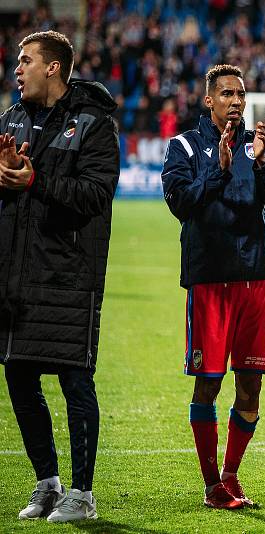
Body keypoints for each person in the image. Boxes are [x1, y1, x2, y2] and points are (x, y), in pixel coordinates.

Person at [160, 64, 265, 509]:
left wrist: (264, 162)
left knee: (251, 387)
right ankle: (210, 483)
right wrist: (217, 171)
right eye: (227, 94)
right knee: (209, 384)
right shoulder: (183, 146)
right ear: (208, 100)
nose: (236, 101)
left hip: (257, 279)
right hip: (211, 281)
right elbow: (181, 203)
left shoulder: (258, 146)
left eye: (241, 94)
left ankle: (231, 476)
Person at [0, 31, 120, 522]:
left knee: (75, 380)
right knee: (19, 376)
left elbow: (95, 196)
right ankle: (47, 483)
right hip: (17, 272)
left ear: (53, 68)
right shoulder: (12, 119)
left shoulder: (94, 123)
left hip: (69, 273)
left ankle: (83, 494)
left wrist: (34, 180)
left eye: (25, 61)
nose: (17, 69)